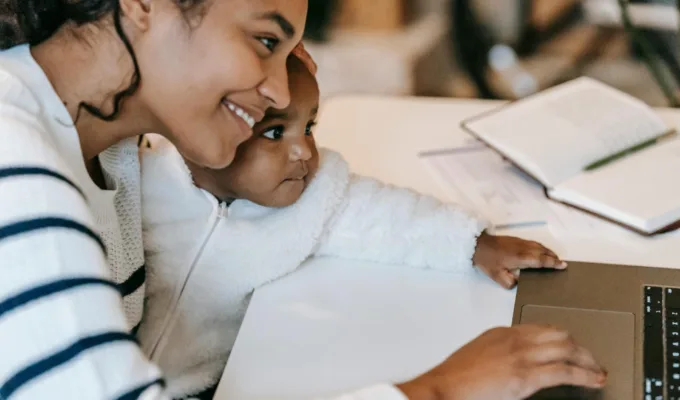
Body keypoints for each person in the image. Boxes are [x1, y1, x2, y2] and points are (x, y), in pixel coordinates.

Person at [0, 0, 606, 399]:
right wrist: (436, 391)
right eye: (264, 41)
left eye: (289, 55)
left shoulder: (105, 151)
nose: (275, 88)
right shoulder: (20, 177)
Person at [137, 54, 603, 398]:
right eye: (275, 132)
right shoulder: (142, 179)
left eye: (310, 127)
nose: (303, 152)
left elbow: (384, 216)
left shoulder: (310, 196)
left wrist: (473, 244)